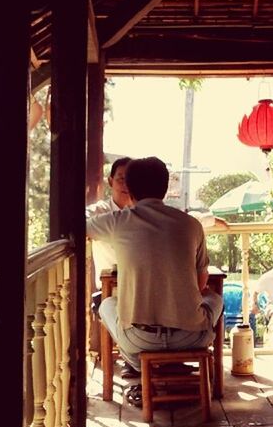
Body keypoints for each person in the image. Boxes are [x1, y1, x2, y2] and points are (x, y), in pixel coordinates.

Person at [87, 156, 224, 403]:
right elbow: (201, 284)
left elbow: (82, 227)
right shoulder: (191, 224)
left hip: (140, 340)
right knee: (214, 299)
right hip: (190, 336)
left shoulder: (118, 221)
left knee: (106, 303)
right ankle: (178, 374)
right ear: (165, 188)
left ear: (130, 188)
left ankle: (142, 370)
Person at [86, 158, 134, 372]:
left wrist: (209, 219)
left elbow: (186, 217)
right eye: (121, 179)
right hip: (110, 292)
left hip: (142, 290)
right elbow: (78, 222)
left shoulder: (144, 214)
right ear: (110, 181)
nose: (126, 185)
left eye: (132, 180)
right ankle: (138, 360)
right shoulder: (99, 212)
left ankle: (146, 360)